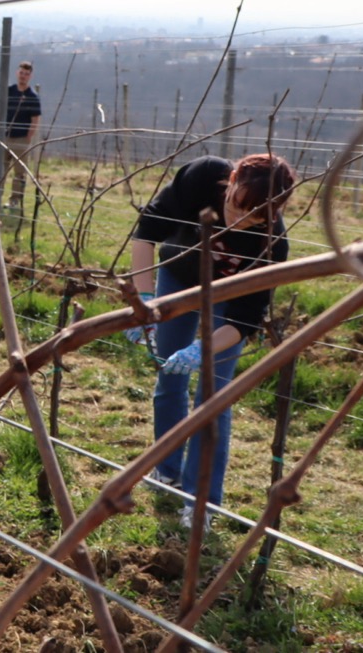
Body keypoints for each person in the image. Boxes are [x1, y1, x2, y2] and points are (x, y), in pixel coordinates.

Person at [127, 153, 296, 529]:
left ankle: (201, 500)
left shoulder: (272, 244)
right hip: (178, 277)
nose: (241, 219)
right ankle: (165, 472)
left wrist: (201, 350)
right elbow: (146, 234)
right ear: (231, 179)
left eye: (256, 217)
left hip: (229, 298)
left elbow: (243, 321)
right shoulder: (201, 176)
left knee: (214, 398)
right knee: (169, 375)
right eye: (238, 205)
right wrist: (145, 304)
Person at [3, 61, 41, 211]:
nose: (23, 76)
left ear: (30, 76)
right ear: (16, 73)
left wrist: (28, 137)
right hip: (5, 136)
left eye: (26, 74)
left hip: (21, 138)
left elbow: (35, 119)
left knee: (19, 172)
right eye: (21, 73)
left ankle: (15, 200)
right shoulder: (9, 91)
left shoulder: (32, 96)